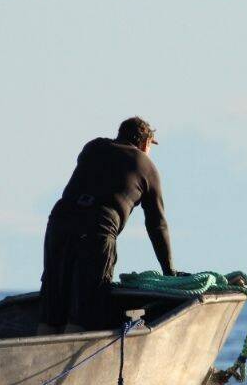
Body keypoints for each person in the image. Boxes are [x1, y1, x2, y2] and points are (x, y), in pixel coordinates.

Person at [38, 117, 175, 334]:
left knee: (53, 301)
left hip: (60, 220)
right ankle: (73, 362)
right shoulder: (146, 167)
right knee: (85, 305)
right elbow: (157, 225)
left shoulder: (93, 147)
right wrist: (169, 272)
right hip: (98, 226)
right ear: (145, 143)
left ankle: (42, 357)